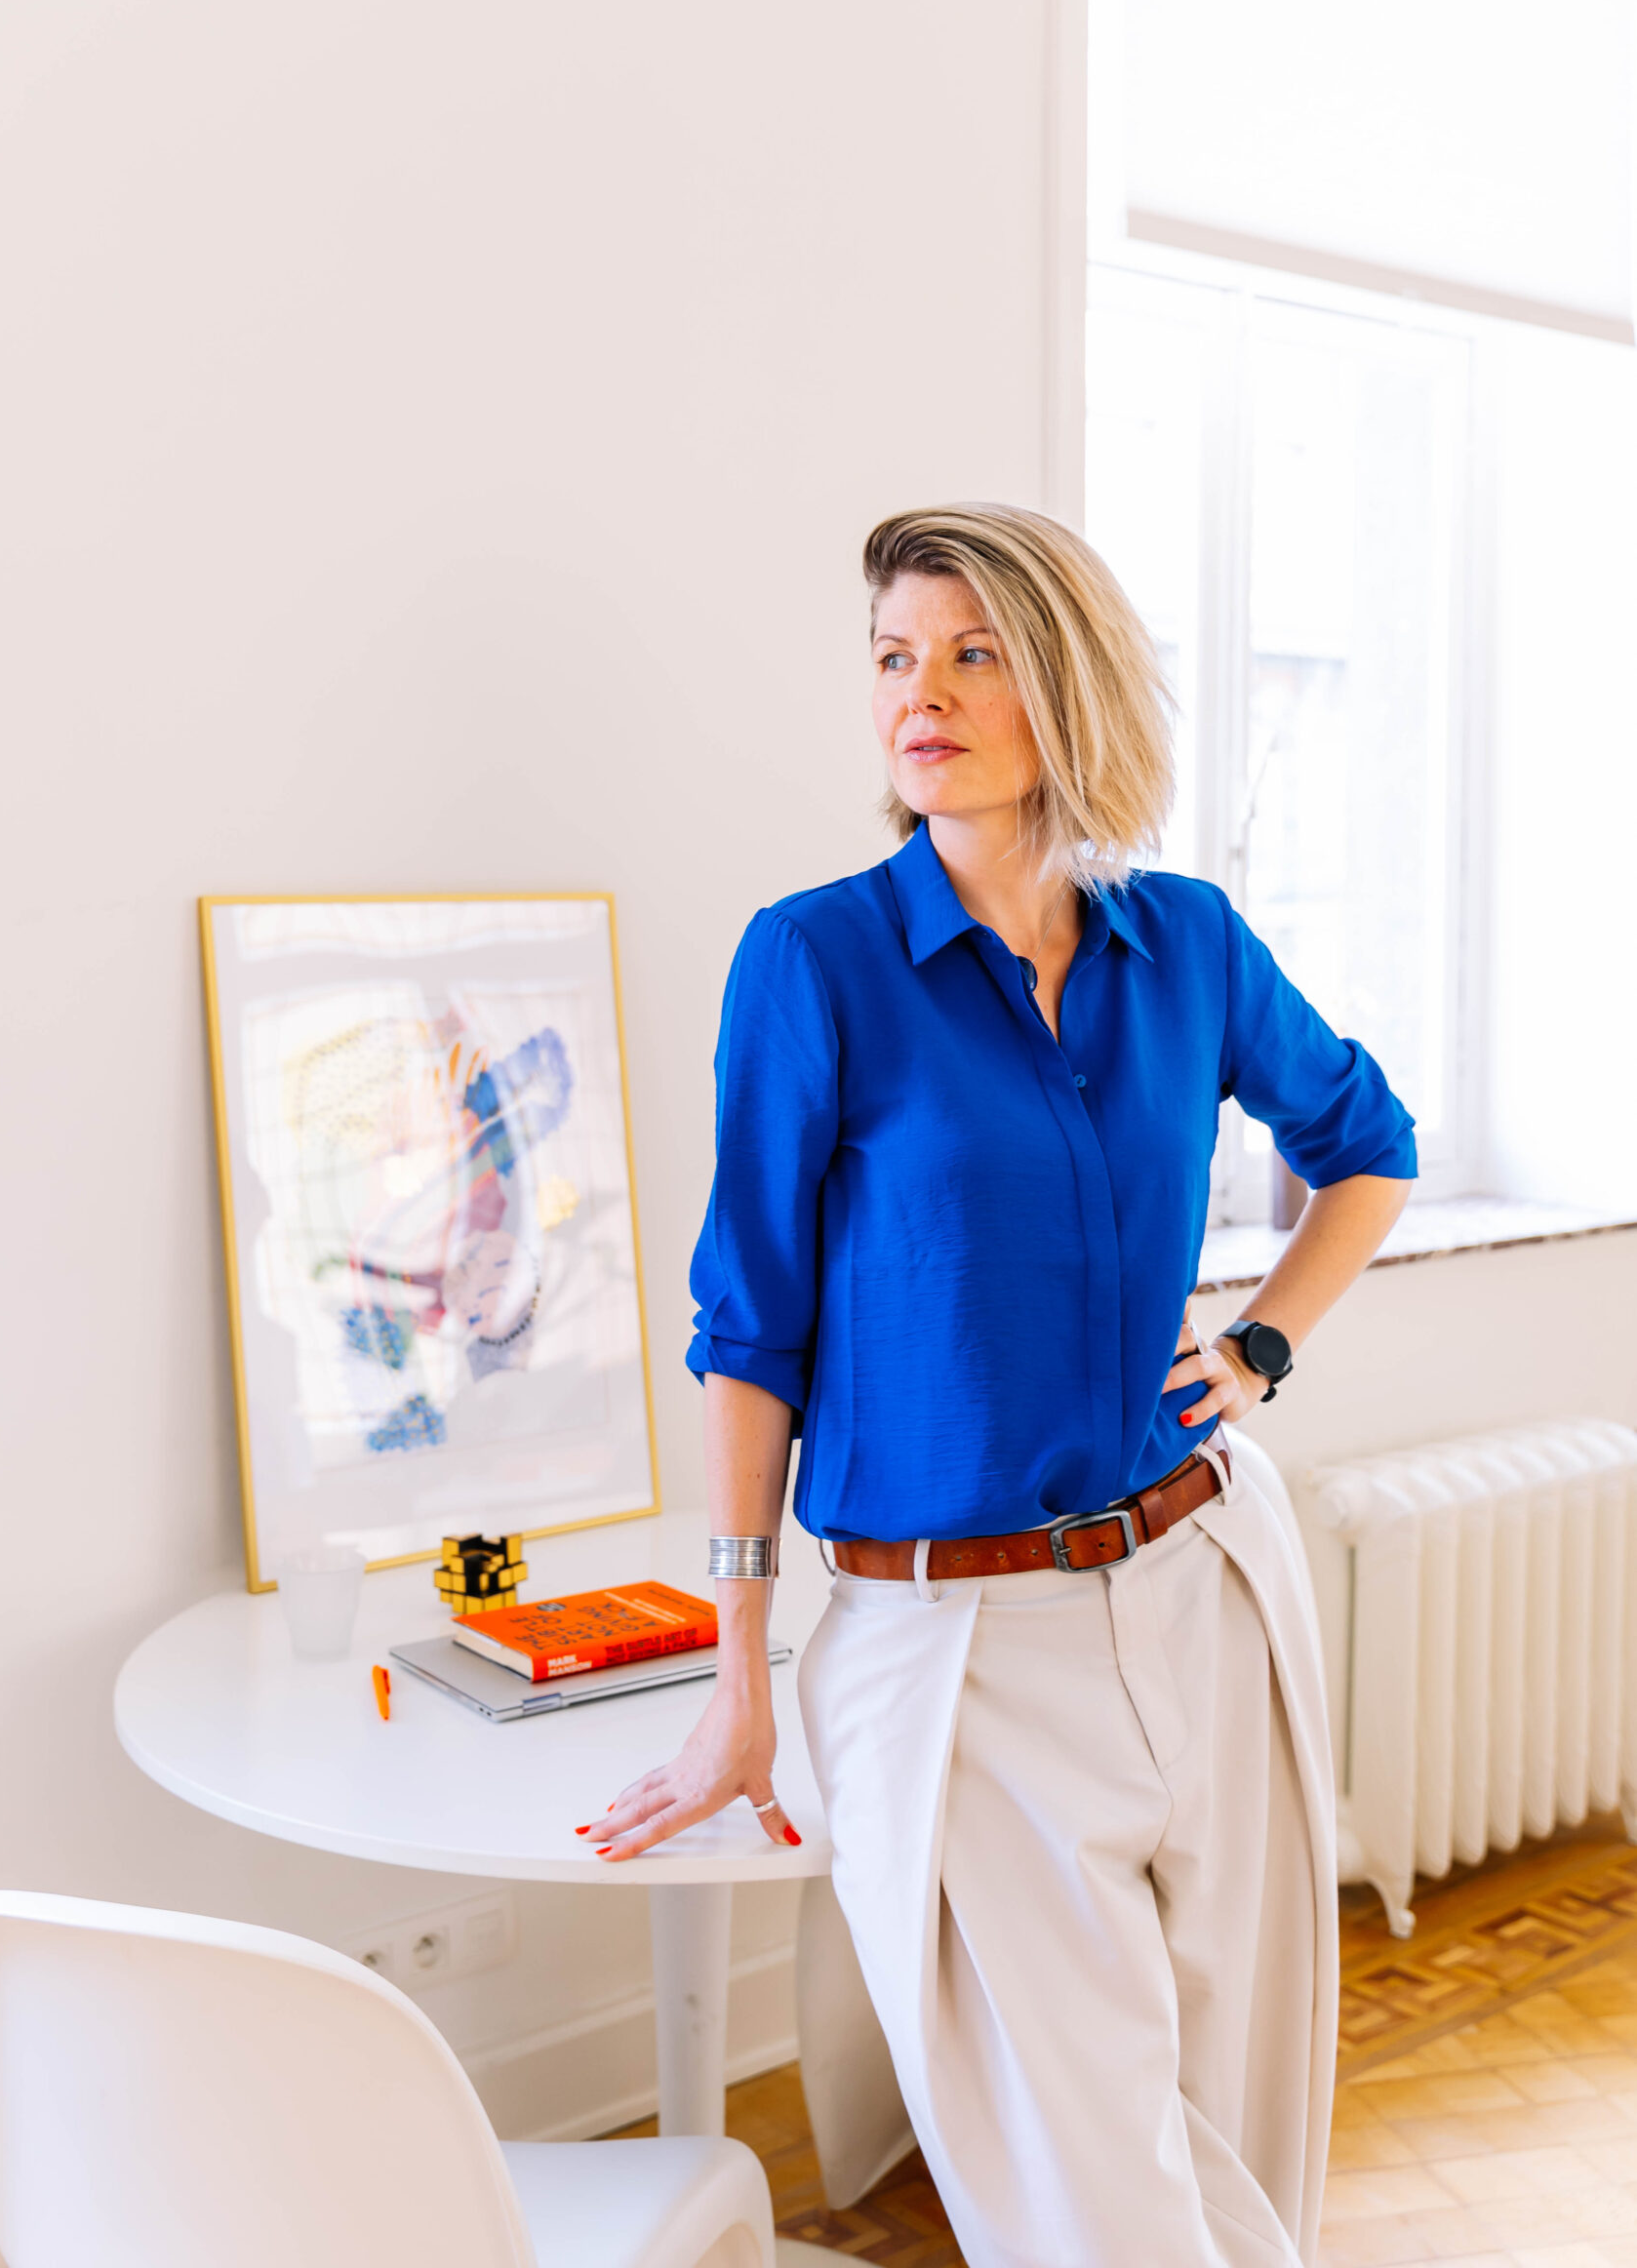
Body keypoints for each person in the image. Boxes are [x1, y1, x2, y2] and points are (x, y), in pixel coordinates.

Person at [584, 504, 1414, 2267]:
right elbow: (749, 1334)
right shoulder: (813, 963)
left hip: (1205, 1581)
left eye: (974, 656)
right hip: (953, 1643)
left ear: (1068, 687)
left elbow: (1369, 1144)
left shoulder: (1187, 944)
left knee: (1247, 2131)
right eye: (896, 658)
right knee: (1094, 2199)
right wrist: (738, 1676)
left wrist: (1260, 1347)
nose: (923, 695)